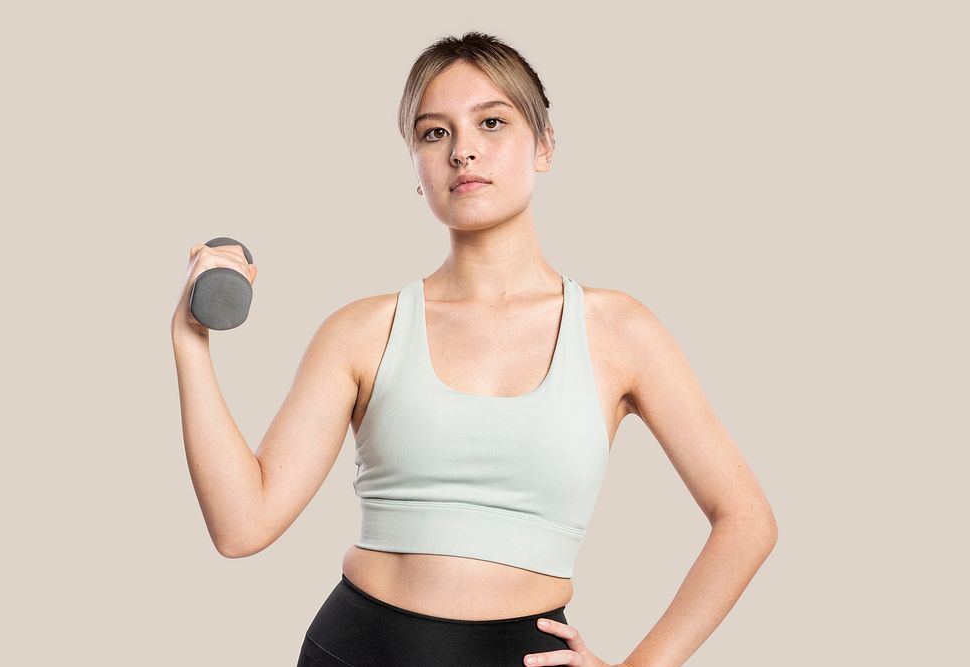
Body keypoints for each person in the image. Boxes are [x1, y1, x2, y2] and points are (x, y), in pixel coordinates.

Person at [170, 31, 778, 667]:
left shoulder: (620, 330)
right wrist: (190, 341)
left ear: (543, 145)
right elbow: (242, 527)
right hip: (357, 650)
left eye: (492, 122)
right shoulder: (361, 331)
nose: (463, 151)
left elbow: (745, 520)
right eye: (435, 133)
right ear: (415, 165)